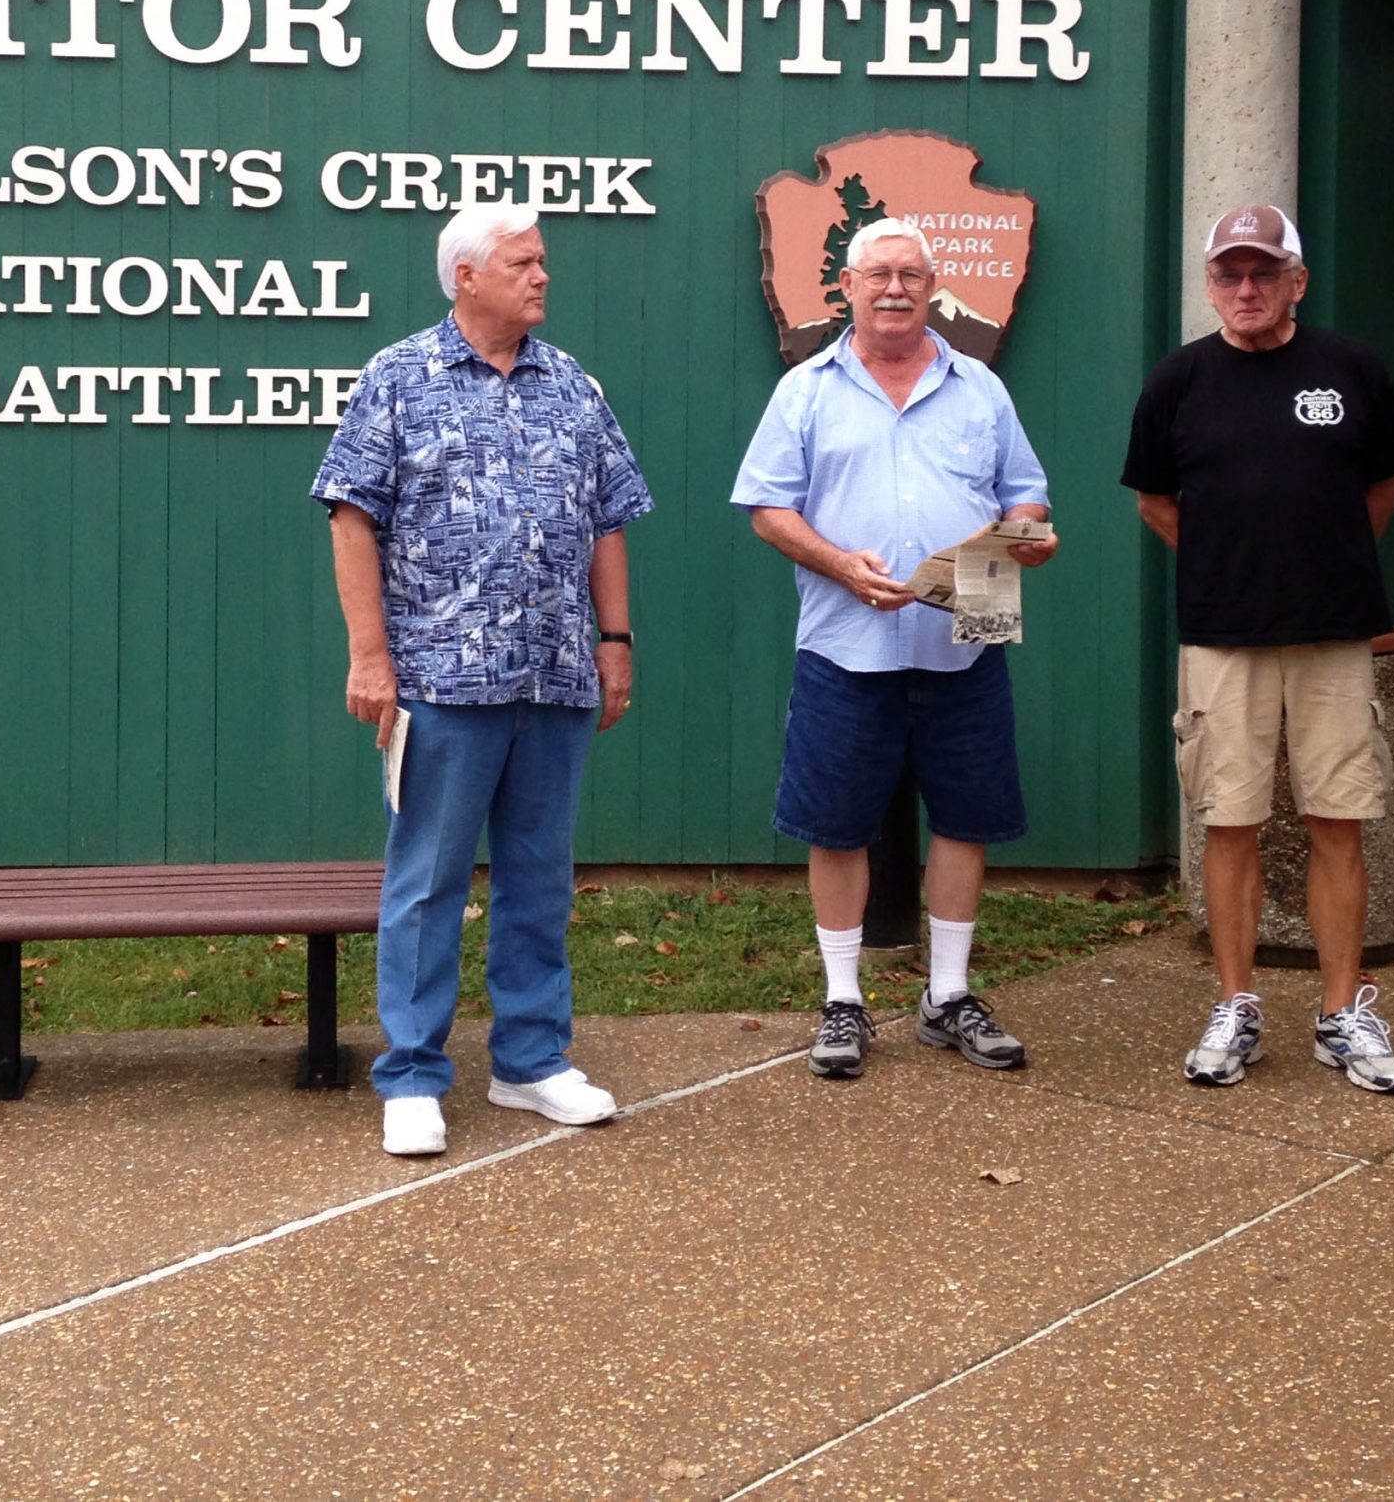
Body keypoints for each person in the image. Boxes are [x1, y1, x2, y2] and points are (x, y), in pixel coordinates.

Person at [311, 203, 653, 1158]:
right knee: (427, 879)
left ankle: (532, 1062)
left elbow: (610, 519)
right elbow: (351, 519)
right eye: (523, 261)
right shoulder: (398, 378)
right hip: (441, 681)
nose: (543, 275)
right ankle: (413, 1074)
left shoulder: (572, 386)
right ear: (466, 276)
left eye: (543, 260)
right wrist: (369, 656)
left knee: (539, 875)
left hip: (553, 678)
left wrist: (614, 639)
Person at [731, 217, 1058, 1081]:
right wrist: (838, 563)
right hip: (847, 640)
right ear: (847, 286)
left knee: (966, 815)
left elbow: (1024, 494)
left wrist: (1029, 533)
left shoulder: (980, 386)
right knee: (836, 822)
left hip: (969, 630)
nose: (895, 290)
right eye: (878, 275)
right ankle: (843, 1002)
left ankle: (946, 996)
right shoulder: (806, 389)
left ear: (933, 285)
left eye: (911, 275)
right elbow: (767, 507)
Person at [1122, 204, 1394, 1094]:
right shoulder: (1179, 380)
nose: (1245, 289)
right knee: (1231, 823)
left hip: (1334, 634)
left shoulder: (1353, 369)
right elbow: (1156, 503)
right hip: (1223, 637)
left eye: (1263, 272)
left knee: (1339, 820)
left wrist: (1313, 568)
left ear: (1297, 279)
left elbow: (1382, 489)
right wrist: (1235, 568)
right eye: (1228, 274)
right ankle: (1237, 1005)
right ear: (1211, 284)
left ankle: (1340, 1014)